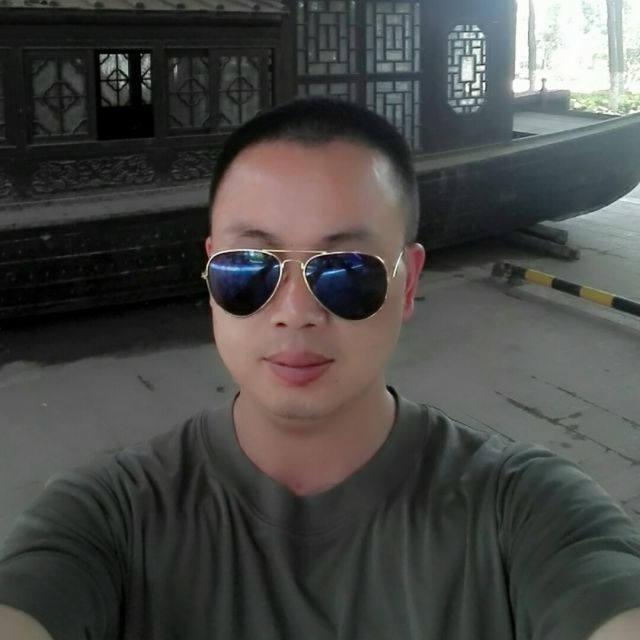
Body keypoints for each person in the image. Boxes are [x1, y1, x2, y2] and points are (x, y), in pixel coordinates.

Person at [1, 97, 639, 640]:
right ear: (209, 272)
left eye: (347, 272)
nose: (295, 313)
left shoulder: (521, 511)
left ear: (407, 283)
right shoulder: (111, 516)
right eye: (250, 268)